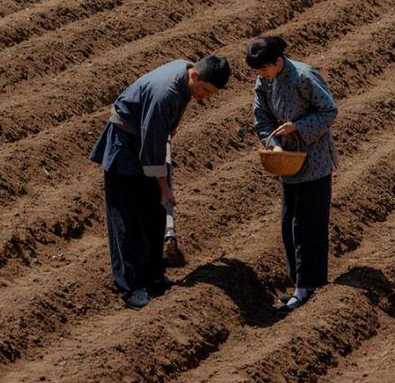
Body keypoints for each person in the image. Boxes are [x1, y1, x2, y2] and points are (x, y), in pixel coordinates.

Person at [90, 55, 230, 309]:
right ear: (195, 76)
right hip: (126, 146)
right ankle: (131, 287)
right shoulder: (165, 92)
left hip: (148, 140)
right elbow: (151, 144)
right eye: (206, 90)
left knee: (154, 214)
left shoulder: (187, 75)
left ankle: (155, 277)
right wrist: (164, 187)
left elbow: (160, 132)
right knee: (128, 221)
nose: (206, 97)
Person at [247, 35, 338, 313]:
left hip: (315, 161)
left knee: (306, 225)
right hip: (286, 161)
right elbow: (260, 117)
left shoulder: (304, 76)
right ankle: (300, 283)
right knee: (289, 224)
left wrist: (297, 127)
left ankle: (307, 286)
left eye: (263, 69)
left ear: (278, 61)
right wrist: (272, 144)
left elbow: (329, 111)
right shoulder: (265, 80)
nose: (260, 76)